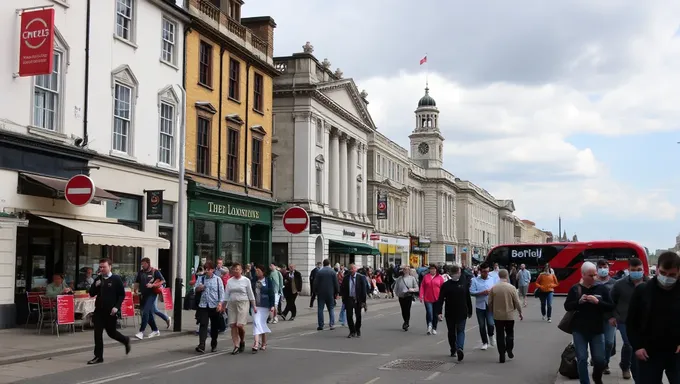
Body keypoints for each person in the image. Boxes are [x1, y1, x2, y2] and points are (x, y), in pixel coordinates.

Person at [626, 251, 680, 383]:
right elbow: (631, 322)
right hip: (648, 352)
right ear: (656, 269)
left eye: (672, 275)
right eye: (663, 273)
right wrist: (637, 346)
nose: (667, 277)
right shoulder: (642, 291)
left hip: (676, 353)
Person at [564, 261, 614, 384]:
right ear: (583, 275)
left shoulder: (601, 288)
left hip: (597, 329)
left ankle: (597, 378)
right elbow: (567, 306)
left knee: (599, 360)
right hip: (579, 330)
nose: (594, 278)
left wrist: (598, 302)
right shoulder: (575, 289)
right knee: (582, 358)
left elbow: (610, 306)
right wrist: (578, 302)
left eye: (595, 275)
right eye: (590, 275)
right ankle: (585, 382)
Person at [610, 257, 648, 381]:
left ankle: (625, 364)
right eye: (633, 270)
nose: (637, 272)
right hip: (624, 321)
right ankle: (631, 372)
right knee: (630, 344)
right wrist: (613, 316)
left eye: (639, 269)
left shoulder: (650, 284)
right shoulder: (620, 284)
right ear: (628, 270)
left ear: (643, 269)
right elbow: (611, 302)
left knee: (640, 347)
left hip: (644, 323)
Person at [87, 258, 130, 364]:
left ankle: (125, 340)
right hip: (99, 311)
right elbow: (92, 293)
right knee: (97, 333)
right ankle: (98, 356)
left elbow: (121, 295)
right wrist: (95, 285)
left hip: (111, 311)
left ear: (110, 267)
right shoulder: (98, 278)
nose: (102, 269)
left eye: (104, 267)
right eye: (100, 267)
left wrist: (117, 307)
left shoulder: (116, 279)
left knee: (112, 333)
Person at [437, 265, 472, 361]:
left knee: (460, 331)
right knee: (452, 332)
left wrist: (470, 310)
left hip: (461, 312)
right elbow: (440, 299)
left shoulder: (463, 283)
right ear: (454, 273)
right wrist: (439, 311)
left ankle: (459, 348)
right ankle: (454, 348)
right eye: (458, 273)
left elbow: (467, 298)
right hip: (450, 312)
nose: (459, 274)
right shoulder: (446, 285)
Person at [488, 269, 523, 363]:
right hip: (509, 315)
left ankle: (502, 354)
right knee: (510, 333)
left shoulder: (494, 288)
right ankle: (509, 349)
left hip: (498, 316)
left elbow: (490, 302)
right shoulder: (511, 288)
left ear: (499, 276)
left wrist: (492, 311)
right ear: (507, 276)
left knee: (500, 335)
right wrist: (520, 312)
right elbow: (517, 301)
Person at [193, 260, 225, 354]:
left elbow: (222, 293)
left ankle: (213, 343)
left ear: (212, 270)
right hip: (203, 305)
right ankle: (201, 345)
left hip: (214, 305)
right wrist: (200, 288)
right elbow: (195, 289)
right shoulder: (201, 278)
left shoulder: (218, 279)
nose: (206, 271)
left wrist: (220, 303)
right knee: (203, 324)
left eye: (208, 269)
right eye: (205, 269)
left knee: (214, 326)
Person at [225, 263, 256, 355]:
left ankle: (242, 340)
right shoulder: (230, 281)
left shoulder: (246, 280)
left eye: (237, 269)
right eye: (234, 269)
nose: (235, 271)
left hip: (243, 303)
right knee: (233, 325)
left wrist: (254, 305)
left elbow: (250, 293)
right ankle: (236, 345)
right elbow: (226, 294)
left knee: (240, 325)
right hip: (232, 303)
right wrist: (223, 305)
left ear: (241, 270)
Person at [134, 258, 166, 340]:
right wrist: (136, 290)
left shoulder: (155, 271)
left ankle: (141, 332)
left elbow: (163, 281)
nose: (142, 266)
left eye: (144, 264)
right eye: (142, 264)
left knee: (145, 312)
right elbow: (137, 282)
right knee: (148, 314)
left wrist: (153, 285)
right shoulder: (141, 272)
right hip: (143, 295)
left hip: (152, 294)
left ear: (148, 263)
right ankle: (155, 330)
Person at [594, 259, 617, 375]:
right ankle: (599, 362)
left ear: (608, 268)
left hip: (610, 319)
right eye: (600, 267)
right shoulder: (592, 283)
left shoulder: (614, 283)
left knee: (609, 342)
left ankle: (606, 362)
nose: (603, 269)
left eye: (605, 267)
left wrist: (615, 316)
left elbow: (618, 301)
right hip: (595, 318)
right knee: (597, 342)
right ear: (597, 269)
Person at [469, 262, 497, 350]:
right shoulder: (475, 280)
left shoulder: (492, 279)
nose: (486, 273)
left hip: (490, 304)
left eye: (487, 271)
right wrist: (481, 293)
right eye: (484, 272)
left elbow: (496, 289)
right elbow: (471, 292)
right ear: (480, 271)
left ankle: (491, 335)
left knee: (491, 323)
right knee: (481, 325)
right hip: (480, 305)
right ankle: (484, 342)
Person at [250, 265, 274, 353]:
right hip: (255, 305)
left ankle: (263, 343)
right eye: (256, 271)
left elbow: (271, 293)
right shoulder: (253, 281)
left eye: (259, 271)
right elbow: (250, 292)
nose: (257, 272)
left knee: (261, 323)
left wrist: (272, 305)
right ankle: (256, 343)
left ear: (263, 272)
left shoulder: (268, 281)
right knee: (256, 322)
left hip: (265, 306)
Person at [340, 264, 368, 338]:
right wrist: (344, 300)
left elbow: (363, 290)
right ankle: (352, 331)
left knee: (358, 315)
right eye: (350, 269)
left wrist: (363, 302)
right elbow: (343, 289)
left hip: (358, 299)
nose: (351, 270)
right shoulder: (346, 278)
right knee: (349, 316)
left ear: (356, 269)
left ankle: (357, 329)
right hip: (349, 299)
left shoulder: (361, 277)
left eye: (352, 269)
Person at [313, 259, 340, 331]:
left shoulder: (319, 272)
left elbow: (315, 283)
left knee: (320, 309)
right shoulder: (333, 272)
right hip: (330, 293)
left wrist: (315, 291)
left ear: (323, 264)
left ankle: (321, 325)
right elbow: (336, 283)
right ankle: (332, 324)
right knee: (331, 308)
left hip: (321, 293)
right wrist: (337, 292)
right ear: (329, 264)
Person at [419, 264, 444, 335]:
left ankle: (434, 328)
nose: (432, 270)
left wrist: (443, 297)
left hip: (437, 298)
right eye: (431, 269)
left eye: (434, 269)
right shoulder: (426, 277)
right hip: (428, 298)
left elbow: (443, 288)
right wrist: (421, 295)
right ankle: (429, 325)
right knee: (429, 312)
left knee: (435, 314)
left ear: (436, 270)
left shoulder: (440, 277)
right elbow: (422, 287)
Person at [393, 265, 419, 331]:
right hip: (401, 296)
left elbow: (417, 288)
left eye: (407, 269)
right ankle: (405, 320)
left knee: (407, 309)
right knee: (403, 309)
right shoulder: (399, 278)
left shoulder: (412, 278)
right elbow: (396, 287)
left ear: (409, 271)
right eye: (404, 269)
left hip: (408, 296)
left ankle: (406, 322)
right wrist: (397, 293)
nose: (405, 271)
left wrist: (412, 289)